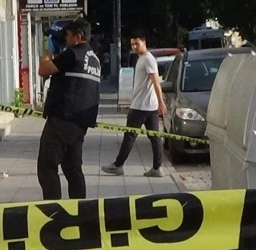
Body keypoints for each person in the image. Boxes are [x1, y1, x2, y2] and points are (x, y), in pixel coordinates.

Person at [36, 18, 101, 200]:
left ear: (78, 37)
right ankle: (79, 209)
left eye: (68, 35)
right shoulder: (94, 59)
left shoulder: (73, 54)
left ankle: (53, 210)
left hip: (63, 118)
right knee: (72, 168)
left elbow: (43, 70)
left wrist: (49, 51)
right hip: (80, 122)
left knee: (47, 165)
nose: (65, 39)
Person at [101, 32, 168, 177]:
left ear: (144, 42)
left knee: (130, 136)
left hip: (141, 106)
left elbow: (156, 82)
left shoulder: (148, 59)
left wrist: (161, 102)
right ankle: (157, 168)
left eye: (137, 43)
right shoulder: (142, 59)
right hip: (148, 105)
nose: (134, 47)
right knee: (154, 137)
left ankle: (118, 165)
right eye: (132, 44)